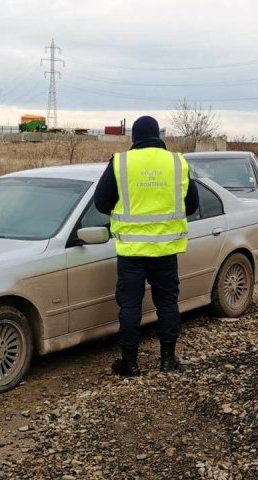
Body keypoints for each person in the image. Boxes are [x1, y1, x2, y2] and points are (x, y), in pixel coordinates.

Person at [94, 116, 199, 376]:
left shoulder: (120, 162)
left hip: (131, 251)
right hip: (166, 249)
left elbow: (100, 202)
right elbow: (193, 205)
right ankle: (168, 360)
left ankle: (129, 363)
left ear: (134, 138)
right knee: (167, 304)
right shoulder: (177, 162)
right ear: (158, 136)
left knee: (130, 306)